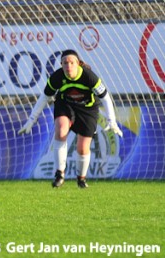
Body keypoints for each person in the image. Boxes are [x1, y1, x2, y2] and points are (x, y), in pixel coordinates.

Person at [18, 49, 123, 188]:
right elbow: (44, 97)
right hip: (65, 105)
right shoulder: (57, 77)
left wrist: (112, 120)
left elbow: (104, 97)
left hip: (88, 109)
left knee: (82, 147)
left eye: (71, 63)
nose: (68, 66)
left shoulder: (89, 76)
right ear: (61, 64)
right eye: (65, 63)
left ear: (78, 63)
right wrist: (31, 120)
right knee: (61, 130)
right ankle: (59, 174)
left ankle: (81, 179)